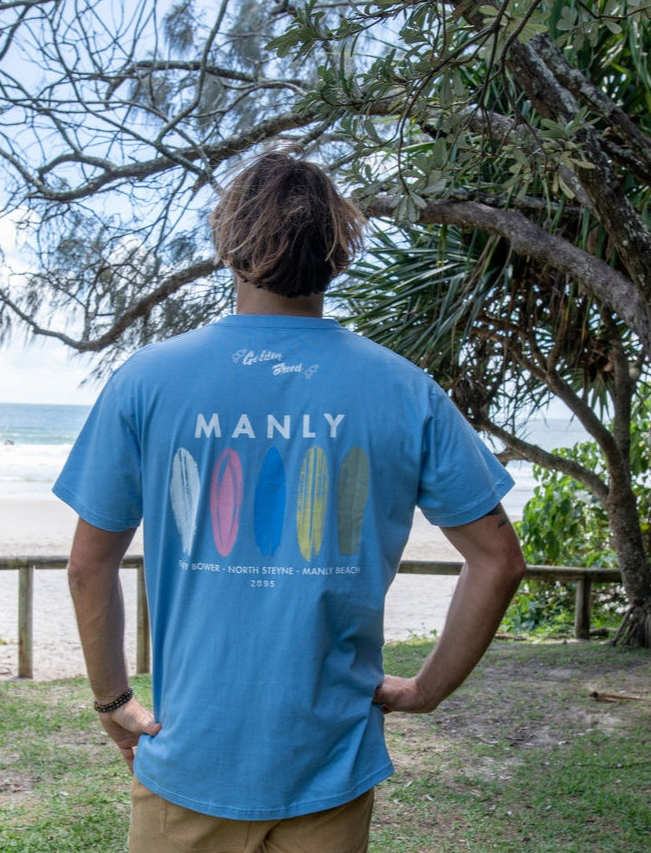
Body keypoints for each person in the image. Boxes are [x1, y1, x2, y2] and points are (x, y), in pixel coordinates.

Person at [53, 151, 526, 853]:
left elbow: (88, 565)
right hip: (329, 762)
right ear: (339, 252)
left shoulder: (146, 382)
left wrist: (113, 700)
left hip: (189, 756)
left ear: (228, 244)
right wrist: (428, 689)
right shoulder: (403, 390)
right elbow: (499, 560)